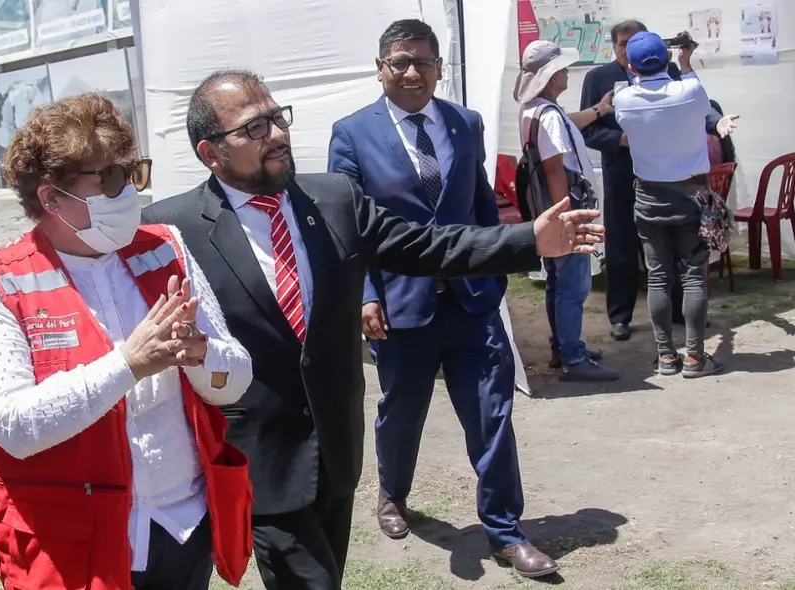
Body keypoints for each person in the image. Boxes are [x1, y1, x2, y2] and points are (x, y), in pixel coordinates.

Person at [142, 69, 604, 589]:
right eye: (253, 128)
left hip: (338, 446)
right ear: (211, 152)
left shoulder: (334, 198)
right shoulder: (169, 229)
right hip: (258, 458)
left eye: (277, 118)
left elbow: (429, 247)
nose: (276, 135)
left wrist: (527, 241)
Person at [0, 93, 255, 590]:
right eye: (110, 178)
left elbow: (234, 380)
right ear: (51, 199)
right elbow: (15, 426)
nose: (130, 190)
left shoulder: (166, 248)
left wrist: (199, 353)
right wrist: (129, 363)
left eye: (133, 172)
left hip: (183, 526)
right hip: (75, 546)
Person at [322, 19, 554, 578]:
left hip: (472, 302)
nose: (411, 73)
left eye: (423, 63)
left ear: (438, 69)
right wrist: (365, 296)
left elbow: (478, 208)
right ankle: (393, 494)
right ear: (380, 68)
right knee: (402, 413)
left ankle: (504, 530)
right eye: (399, 62)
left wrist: (494, 276)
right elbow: (347, 226)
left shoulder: (464, 123)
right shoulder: (352, 133)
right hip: (401, 308)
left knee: (493, 416)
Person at [580, 19, 738, 341]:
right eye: (624, 44)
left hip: (666, 179)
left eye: (636, 42)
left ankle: (681, 311)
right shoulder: (599, 79)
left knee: (675, 252)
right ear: (614, 47)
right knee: (622, 246)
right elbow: (590, 130)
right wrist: (624, 140)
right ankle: (620, 316)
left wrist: (716, 122)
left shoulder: (668, 75)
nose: (630, 50)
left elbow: (697, 108)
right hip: (623, 174)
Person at [613, 32, 725, 378]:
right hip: (692, 195)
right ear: (668, 59)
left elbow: (631, 102)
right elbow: (705, 107)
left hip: (648, 196)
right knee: (694, 277)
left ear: (630, 65)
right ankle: (694, 357)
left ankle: (665, 356)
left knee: (658, 277)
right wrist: (686, 62)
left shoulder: (624, 98)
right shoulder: (690, 90)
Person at [515, 40, 621, 383]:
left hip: (550, 208)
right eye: (560, 70)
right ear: (549, 76)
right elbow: (554, 169)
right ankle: (573, 357)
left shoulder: (537, 110)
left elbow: (565, 125)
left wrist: (597, 111)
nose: (565, 75)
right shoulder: (547, 115)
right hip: (565, 207)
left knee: (557, 282)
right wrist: (566, 217)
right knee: (572, 286)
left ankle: (564, 347)